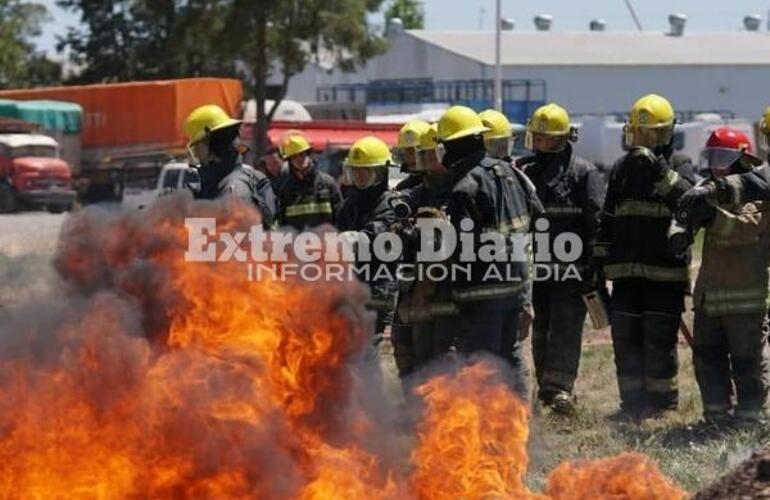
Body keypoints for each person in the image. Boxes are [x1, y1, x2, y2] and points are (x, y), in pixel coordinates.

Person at [595, 94, 697, 417]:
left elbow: (689, 203)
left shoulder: (679, 163)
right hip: (625, 275)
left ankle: (663, 406)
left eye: (650, 134)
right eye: (639, 134)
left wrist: (660, 171)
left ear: (666, 133)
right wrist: (597, 264)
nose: (643, 141)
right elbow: (607, 219)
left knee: (658, 342)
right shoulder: (622, 168)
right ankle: (632, 404)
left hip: (664, 275)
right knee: (625, 342)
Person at [437, 105, 543, 397]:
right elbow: (538, 215)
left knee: (481, 366)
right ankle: (520, 428)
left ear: (453, 146)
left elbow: (459, 248)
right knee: (510, 359)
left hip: (481, 292)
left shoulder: (464, 188)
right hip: (516, 286)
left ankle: (487, 433)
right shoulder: (511, 172)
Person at [516, 103, 605, 414]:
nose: (539, 145)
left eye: (545, 139)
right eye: (536, 139)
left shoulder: (583, 173)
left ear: (561, 140)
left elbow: (597, 222)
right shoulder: (525, 173)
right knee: (540, 330)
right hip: (536, 271)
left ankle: (560, 391)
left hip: (573, 271)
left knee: (565, 329)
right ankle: (546, 390)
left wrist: (594, 267)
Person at [681, 127, 770, 426]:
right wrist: (680, 228)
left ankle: (750, 419)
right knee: (706, 359)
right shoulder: (709, 188)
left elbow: (746, 229)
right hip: (710, 296)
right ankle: (716, 417)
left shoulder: (758, 191)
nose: (717, 164)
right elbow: (682, 221)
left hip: (745, 298)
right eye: (713, 156)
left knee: (747, 363)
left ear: (742, 158)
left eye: (724, 157)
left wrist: (712, 217)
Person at [392, 124, 456, 378]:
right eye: (408, 153)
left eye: (417, 152)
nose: (414, 160)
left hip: (444, 287)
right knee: (411, 353)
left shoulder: (454, 188)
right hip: (412, 286)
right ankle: (417, 411)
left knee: (444, 355)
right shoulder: (409, 192)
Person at [337, 136, 399, 335]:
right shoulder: (348, 206)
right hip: (351, 298)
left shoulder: (391, 205)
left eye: (365, 172)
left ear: (380, 174)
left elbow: (372, 237)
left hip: (380, 297)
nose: (359, 178)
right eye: (355, 172)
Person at [183, 104, 278, 226]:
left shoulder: (236, 187)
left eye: (197, 147)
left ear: (214, 143)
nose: (196, 153)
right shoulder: (216, 181)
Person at [273, 131, 342, 230]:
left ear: (309, 154)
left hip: (326, 243)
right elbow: (281, 222)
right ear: (289, 160)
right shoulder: (284, 189)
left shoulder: (328, 183)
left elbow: (339, 216)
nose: (299, 159)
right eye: (294, 157)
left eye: (302, 154)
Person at [395, 120, 432, 191]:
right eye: (406, 150)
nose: (411, 156)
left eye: (416, 150)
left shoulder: (444, 184)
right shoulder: (402, 188)